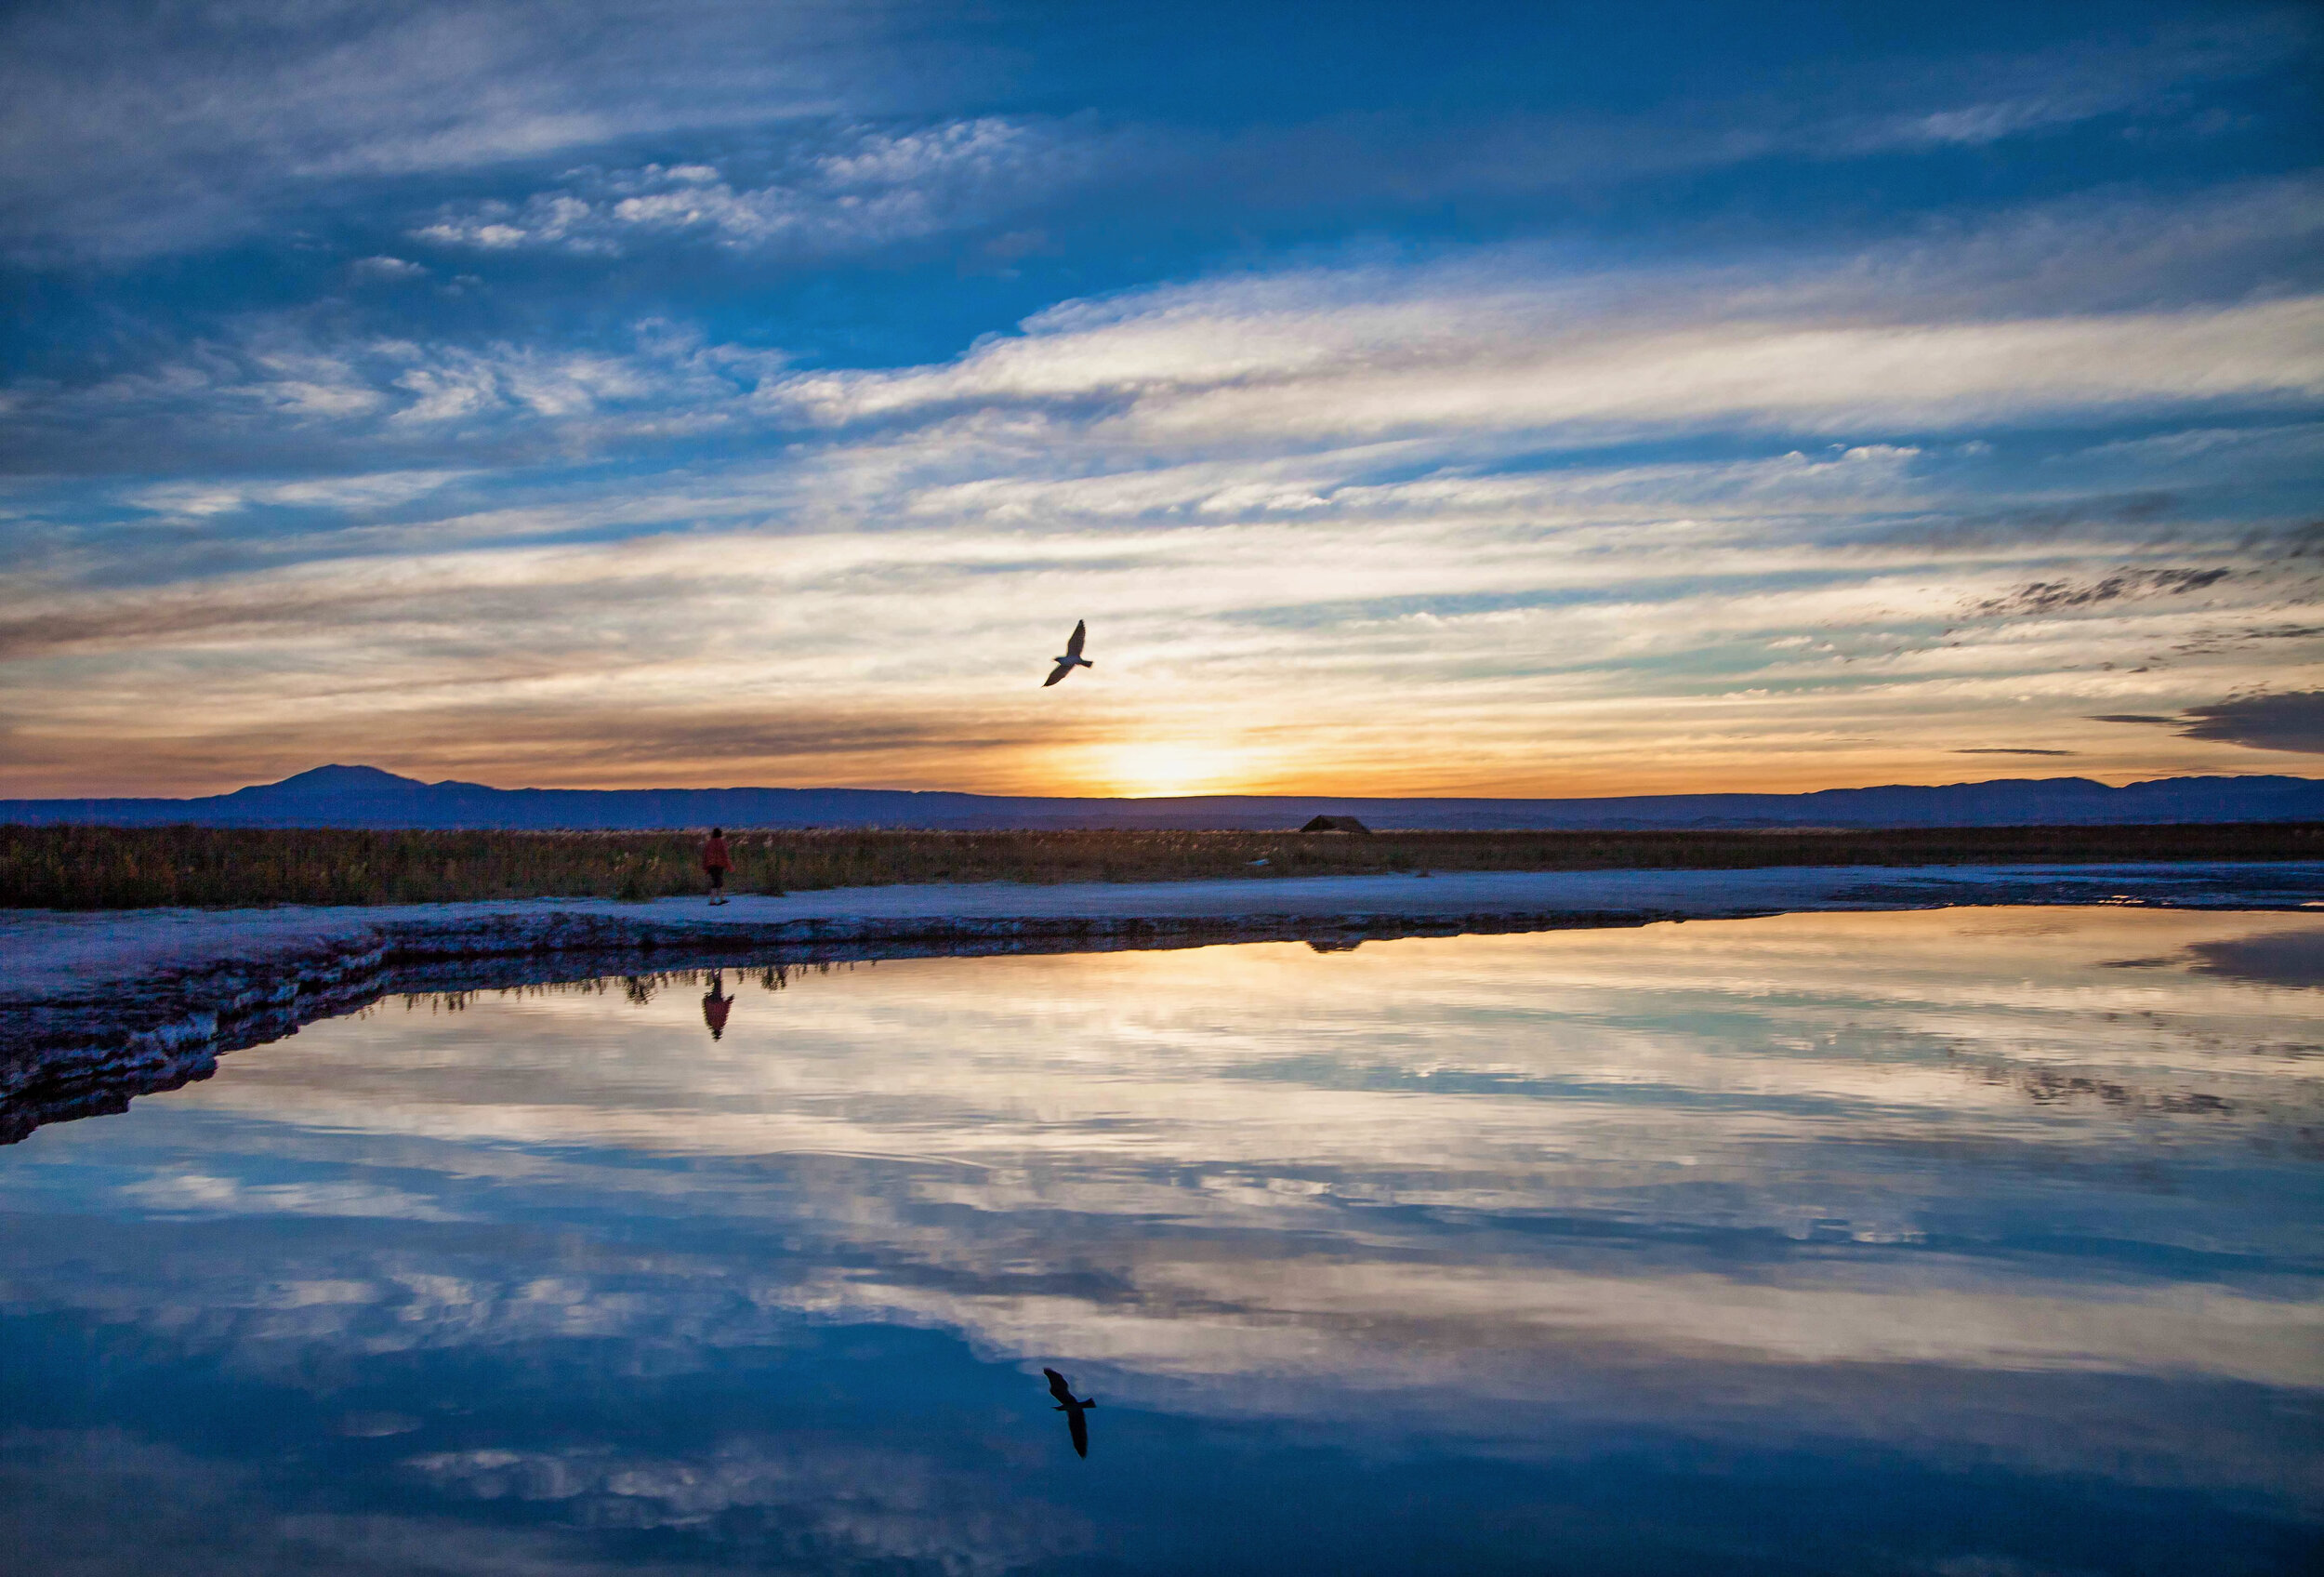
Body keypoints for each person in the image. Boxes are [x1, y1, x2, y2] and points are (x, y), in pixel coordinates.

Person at [702, 826, 733, 905]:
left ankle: (720, 899)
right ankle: (713, 900)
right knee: (717, 882)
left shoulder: (709, 843)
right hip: (719, 865)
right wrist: (729, 866)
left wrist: (705, 866)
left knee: (717, 881)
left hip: (711, 865)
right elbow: (725, 855)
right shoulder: (722, 842)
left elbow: (705, 855)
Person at [701, 971, 733, 1040]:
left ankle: (718, 970)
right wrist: (706, 1001)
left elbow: (725, 1012)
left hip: (717, 1001)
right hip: (713, 1001)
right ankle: (715, 970)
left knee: (718, 986)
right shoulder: (710, 1024)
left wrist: (729, 1001)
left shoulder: (720, 1024)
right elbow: (707, 1012)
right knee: (717, 986)